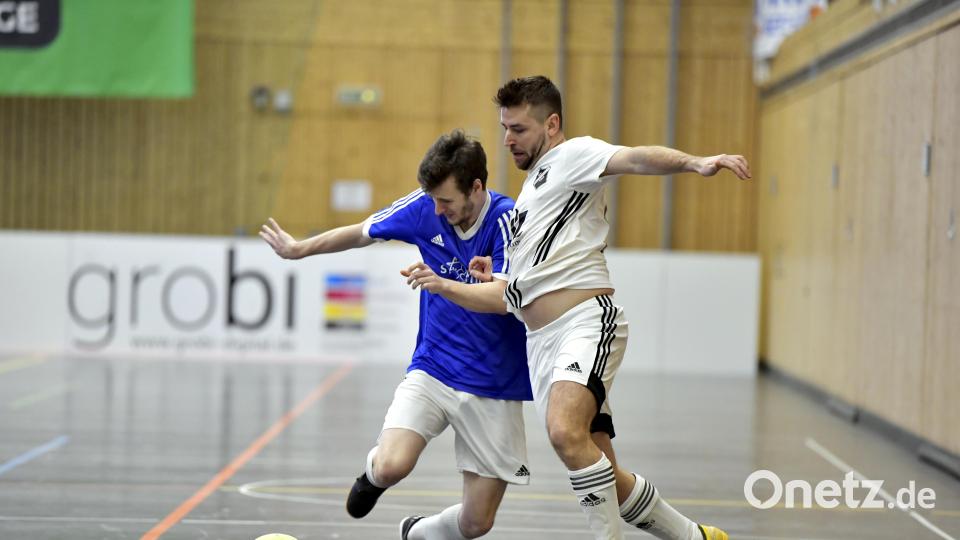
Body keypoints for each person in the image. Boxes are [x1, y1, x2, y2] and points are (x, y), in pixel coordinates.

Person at [402, 76, 751, 540]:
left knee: (565, 432)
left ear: (552, 124)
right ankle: (696, 537)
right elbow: (526, 281)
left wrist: (696, 162)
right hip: (542, 345)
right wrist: (500, 276)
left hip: (583, 326)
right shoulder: (531, 193)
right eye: (505, 128)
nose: (509, 139)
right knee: (606, 472)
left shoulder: (572, 156)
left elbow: (634, 157)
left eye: (520, 129)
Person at [260, 130, 532, 540]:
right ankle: (373, 475)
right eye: (434, 200)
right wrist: (300, 249)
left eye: (447, 202)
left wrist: (444, 285)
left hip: (496, 383)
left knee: (478, 523)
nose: (437, 211)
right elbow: (361, 232)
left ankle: (418, 533)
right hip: (435, 368)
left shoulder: (509, 220)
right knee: (392, 465)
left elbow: (505, 297)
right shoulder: (426, 207)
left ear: (476, 187)